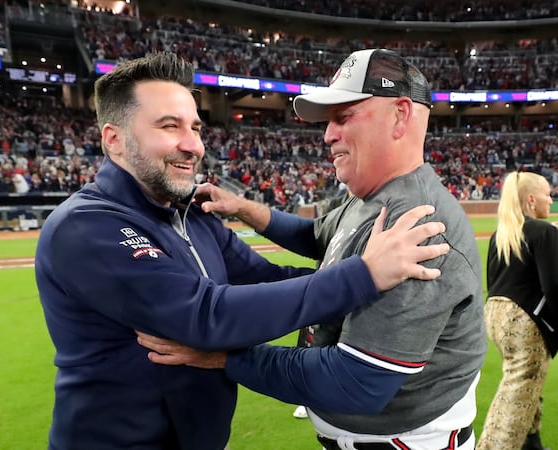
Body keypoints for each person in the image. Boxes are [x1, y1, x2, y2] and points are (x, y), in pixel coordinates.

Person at [34, 51, 450, 450]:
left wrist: (381, 283)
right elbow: (206, 316)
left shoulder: (190, 213)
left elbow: (265, 277)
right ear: (115, 140)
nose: (192, 145)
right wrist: (363, 274)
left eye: (195, 128)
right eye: (168, 126)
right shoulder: (85, 226)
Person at [136, 48, 487, 449]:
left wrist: (221, 357)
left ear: (400, 115)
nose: (328, 134)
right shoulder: (375, 195)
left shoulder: (417, 223)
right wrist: (245, 209)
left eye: (344, 117)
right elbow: (320, 236)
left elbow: (355, 382)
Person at [477, 171, 558, 450]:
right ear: (532, 200)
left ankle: (531, 444)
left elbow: (493, 282)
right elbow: (554, 286)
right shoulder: (544, 232)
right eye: (548, 194)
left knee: (525, 386)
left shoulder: (501, 234)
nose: (551, 199)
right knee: (519, 393)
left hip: (497, 317)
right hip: (524, 321)